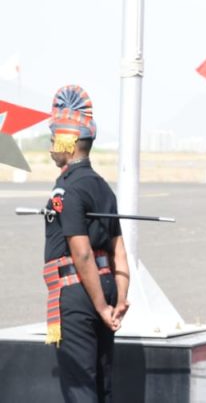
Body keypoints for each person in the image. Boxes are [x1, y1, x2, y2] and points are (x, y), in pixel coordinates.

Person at [43, 85, 130, 402]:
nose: (51, 146)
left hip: (80, 292)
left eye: (54, 139)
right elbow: (118, 250)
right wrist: (118, 301)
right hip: (105, 287)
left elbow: (81, 254)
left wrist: (99, 306)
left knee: (80, 386)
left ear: (67, 141)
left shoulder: (67, 189)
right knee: (101, 386)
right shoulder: (103, 188)